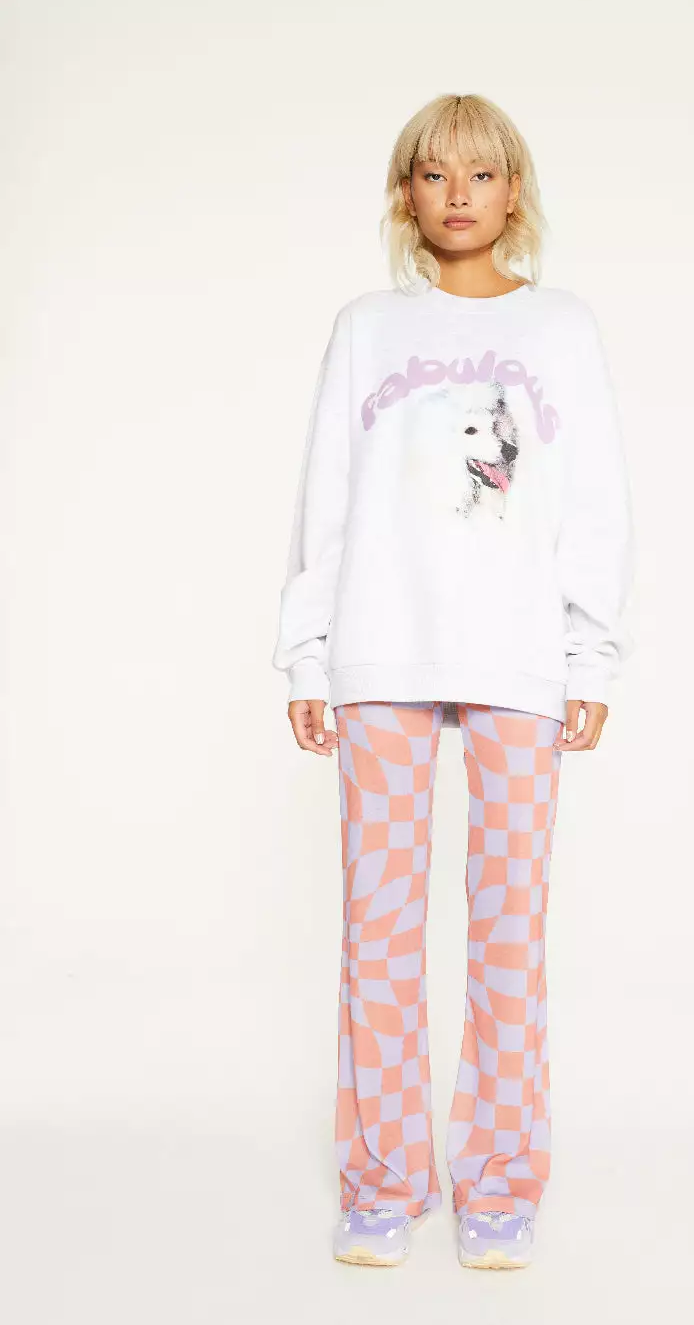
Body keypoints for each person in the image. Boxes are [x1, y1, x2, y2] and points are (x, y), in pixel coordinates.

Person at [272, 92, 636, 1270]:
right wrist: (308, 648)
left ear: (514, 192)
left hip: (518, 657)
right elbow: (327, 492)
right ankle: (382, 1183)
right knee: (377, 932)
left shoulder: (562, 328)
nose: (459, 194)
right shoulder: (366, 328)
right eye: (435, 174)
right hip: (382, 646)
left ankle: (499, 1186)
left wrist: (589, 649)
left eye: (481, 174)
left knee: (508, 931)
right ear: (407, 195)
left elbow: (592, 499)